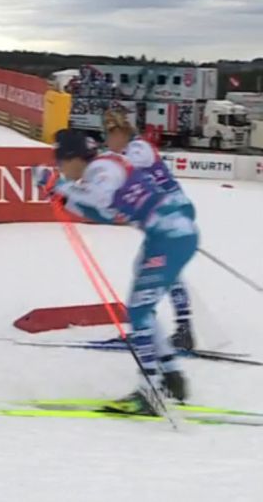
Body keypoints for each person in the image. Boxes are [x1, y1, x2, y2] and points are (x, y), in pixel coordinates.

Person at [37, 129, 199, 414]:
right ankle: (171, 375)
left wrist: (59, 186)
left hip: (170, 237)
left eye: (60, 162)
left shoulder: (103, 167)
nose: (60, 167)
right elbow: (101, 213)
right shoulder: (101, 169)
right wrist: (57, 192)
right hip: (164, 237)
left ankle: (151, 390)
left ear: (75, 158)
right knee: (142, 309)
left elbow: (100, 198)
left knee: (138, 310)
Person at [102, 110, 195, 350]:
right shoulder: (129, 150)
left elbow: (127, 172)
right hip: (166, 214)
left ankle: (158, 327)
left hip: (172, 212)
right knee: (161, 269)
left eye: (109, 135)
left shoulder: (138, 148)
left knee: (150, 268)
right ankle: (179, 327)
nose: (107, 140)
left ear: (121, 132)